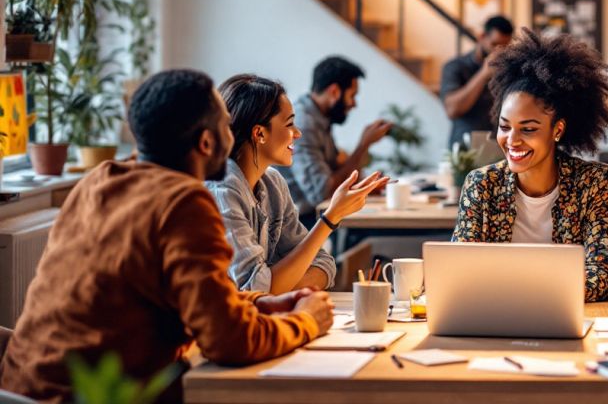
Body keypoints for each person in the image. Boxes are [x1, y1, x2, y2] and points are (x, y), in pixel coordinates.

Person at [0, 70, 334, 402]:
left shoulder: (98, 182)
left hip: (20, 389)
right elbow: (227, 341)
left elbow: (196, 296)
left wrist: (263, 303)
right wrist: (306, 321)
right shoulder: (185, 204)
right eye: (226, 126)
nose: (233, 135)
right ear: (206, 143)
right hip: (90, 396)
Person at [452, 28, 608, 302]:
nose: (512, 141)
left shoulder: (594, 182)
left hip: (566, 318)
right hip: (496, 321)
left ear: (557, 130)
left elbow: (603, 274)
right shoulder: (481, 184)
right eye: (504, 127)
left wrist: (516, 290)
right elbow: (458, 271)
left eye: (528, 130)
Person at [207, 74, 389, 294]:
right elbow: (255, 289)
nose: (297, 133)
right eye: (290, 123)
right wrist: (330, 218)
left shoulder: (273, 182)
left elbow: (324, 264)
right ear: (259, 133)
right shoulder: (222, 193)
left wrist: (278, 286)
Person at [279, 56, 392, 228]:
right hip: (300, 221)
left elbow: (336, 169)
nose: (354, 104)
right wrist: (363, 145)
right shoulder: (304, 125)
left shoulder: (320, 119)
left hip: (315, 214)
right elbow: (322, 193)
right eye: (352, 96)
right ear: (334, 92)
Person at [440, 15, 514, 149]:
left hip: (498, 148)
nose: (498, 52)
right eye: (494, 44)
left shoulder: (509, 70)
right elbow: (452, 110)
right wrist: (483, 74)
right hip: (464, 150)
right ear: (482, 37)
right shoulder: (455, 67)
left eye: (504, 47)